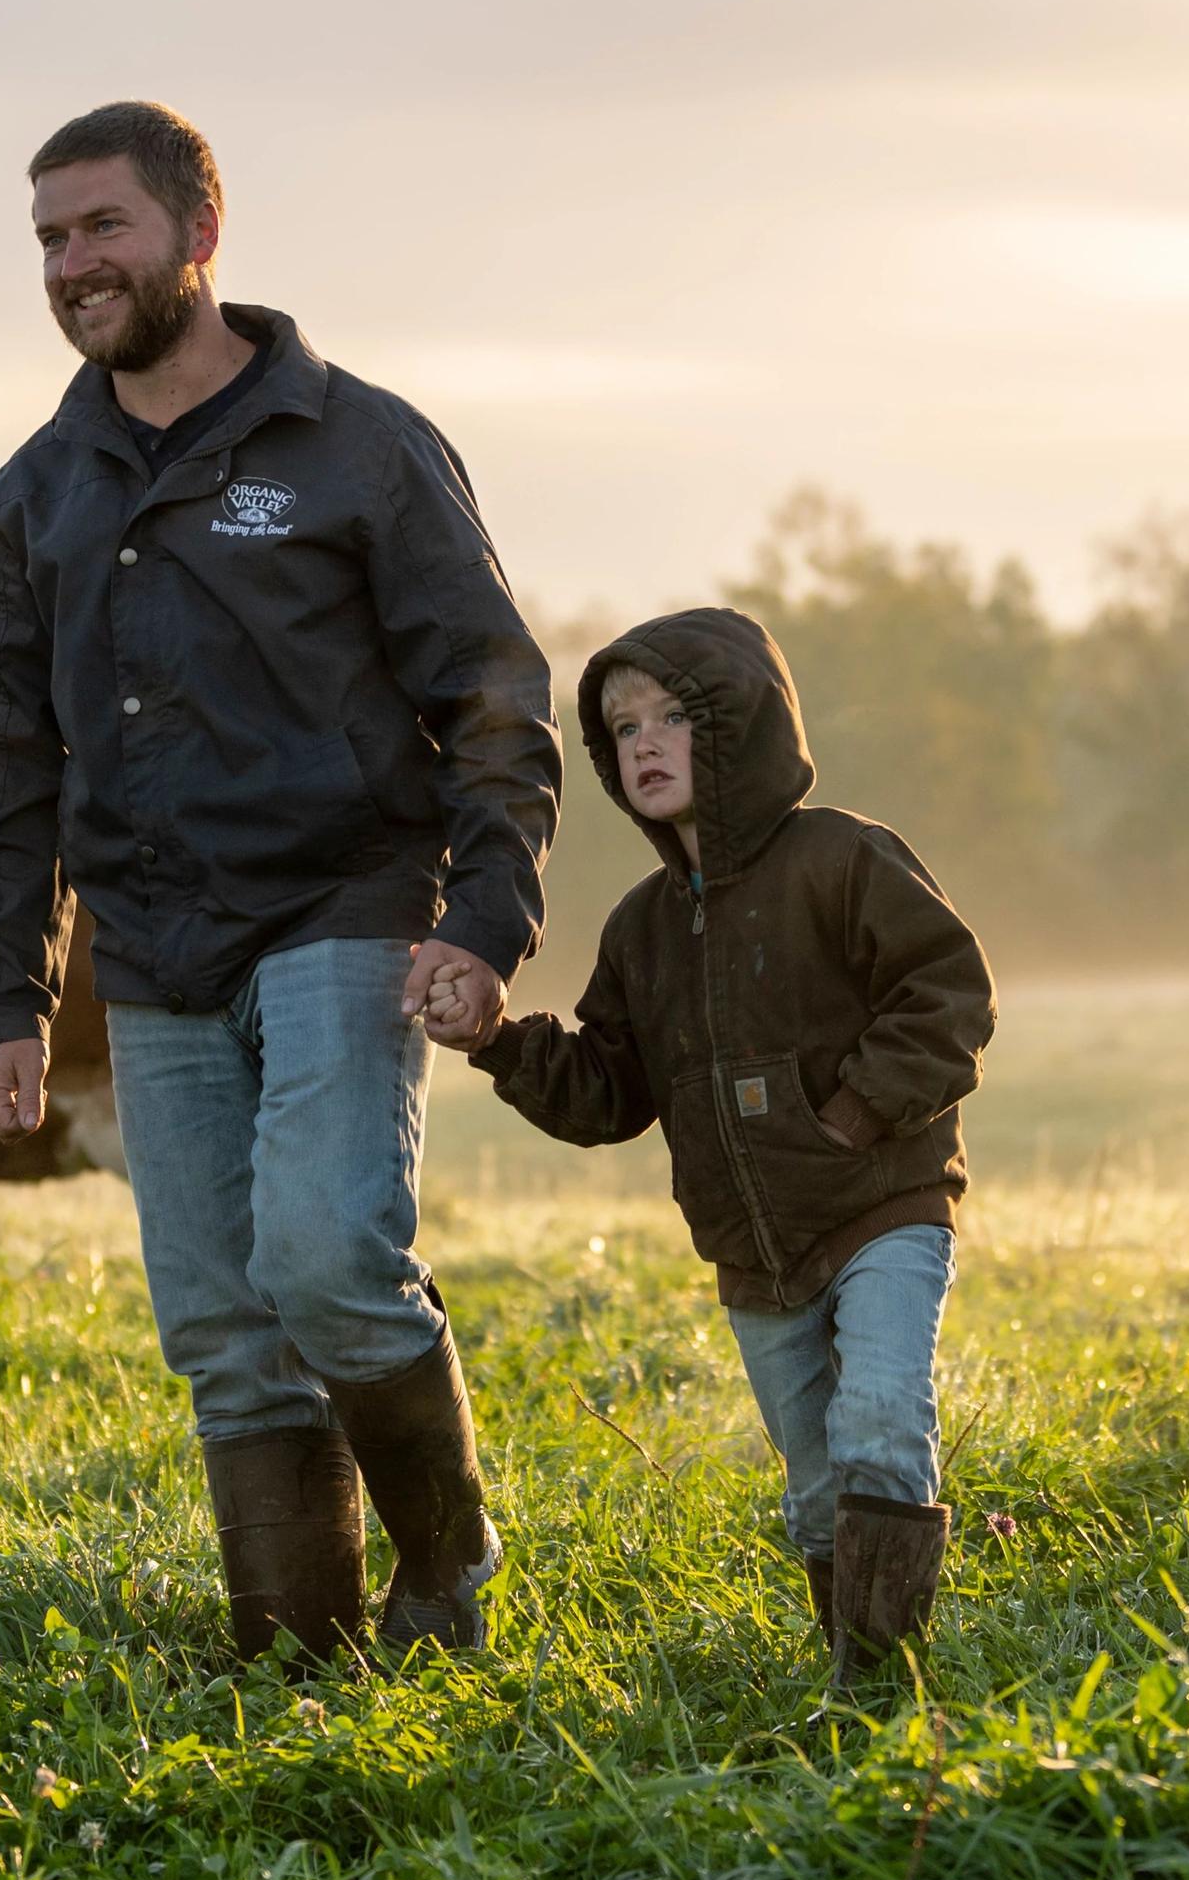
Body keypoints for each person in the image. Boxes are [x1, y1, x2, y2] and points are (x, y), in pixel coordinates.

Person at [0, 101, 561, 1666]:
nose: (71, 264)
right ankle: (295, 1651)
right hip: (153, 951)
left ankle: (445, 1560)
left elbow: (494, 689)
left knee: (325, 1255)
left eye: (101, 227)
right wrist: (9, 992)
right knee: (224, 1326)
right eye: (48, 239)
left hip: (340, 908)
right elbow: (8, 760)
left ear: (195, 234)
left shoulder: (354, 442)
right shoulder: (36, 492)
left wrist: (485, 918)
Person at [424, 606, 996, 1685]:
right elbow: (609, 1090)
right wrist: (498, 1039)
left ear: (744, 721)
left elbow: (948, 992)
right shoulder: (639, 927)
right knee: (817, 1486)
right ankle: (855, 1678)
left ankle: (887, 1680)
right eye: (620, 724)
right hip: (754, 1254)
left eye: (673, 715)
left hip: (884, 1206)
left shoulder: (845, 855)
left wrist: (853, 1118)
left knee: (878, 1420)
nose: (643, 740)